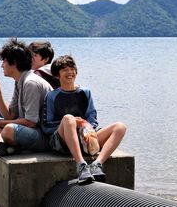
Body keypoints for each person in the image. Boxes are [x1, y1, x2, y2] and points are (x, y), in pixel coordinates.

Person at [42, 55, 127, 184]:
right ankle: (81, 165)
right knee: (68, 118)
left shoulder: (85, 92)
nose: (70, 72)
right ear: (57, 75)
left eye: (72, 69)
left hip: (85, 137)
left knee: (120, 127)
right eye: (65, 70)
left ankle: (97, 164)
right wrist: (71, 124)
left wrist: (85, 126)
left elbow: (92, 117)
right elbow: (46, 126)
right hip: (62, 142)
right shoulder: (52, 96)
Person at [0, 38, 52, 156]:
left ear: (14, 62)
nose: (1, 65)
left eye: (4, 61)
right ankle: (4, 147)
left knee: (8, 129)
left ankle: (5, 145)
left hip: (43, 137)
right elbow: (10, 115)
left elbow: (31, 122)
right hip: (30, 131)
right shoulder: (19, 80)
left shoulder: (31, 83)